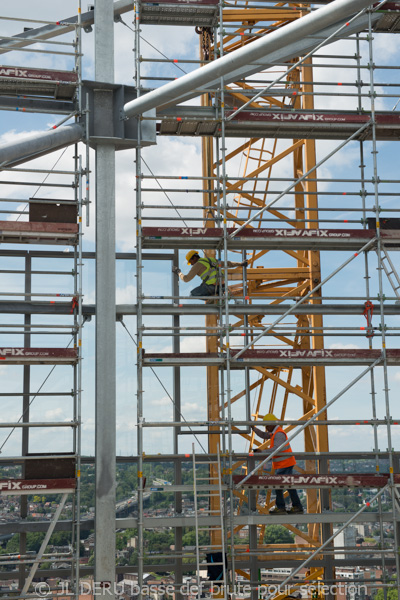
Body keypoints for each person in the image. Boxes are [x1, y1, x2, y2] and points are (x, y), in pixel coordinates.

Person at [252, 413, 304, 515]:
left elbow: (276, 450)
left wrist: (261, 452)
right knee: (285, 486)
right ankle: (293, 507)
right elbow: (264, 435)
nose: (266, 428)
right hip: (283, 464)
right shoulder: (275, 432)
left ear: (271, 424)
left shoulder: (279, 434)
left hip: (285, 463)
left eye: (267, 426)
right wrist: (253, 428)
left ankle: (285, 508)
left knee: (282, 486)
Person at [172, 250, 247, 297]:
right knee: (203, 286)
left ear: (194, 258)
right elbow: (227, 263)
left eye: (190, 262)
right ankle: (216, 296)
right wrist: (240, 263)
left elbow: (186, 279)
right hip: (222, 287)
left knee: (192, 295)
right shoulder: (211, 260)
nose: (191, 264)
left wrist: (178, 272)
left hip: (211, 287)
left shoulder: (197, 265)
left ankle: (213, 298)